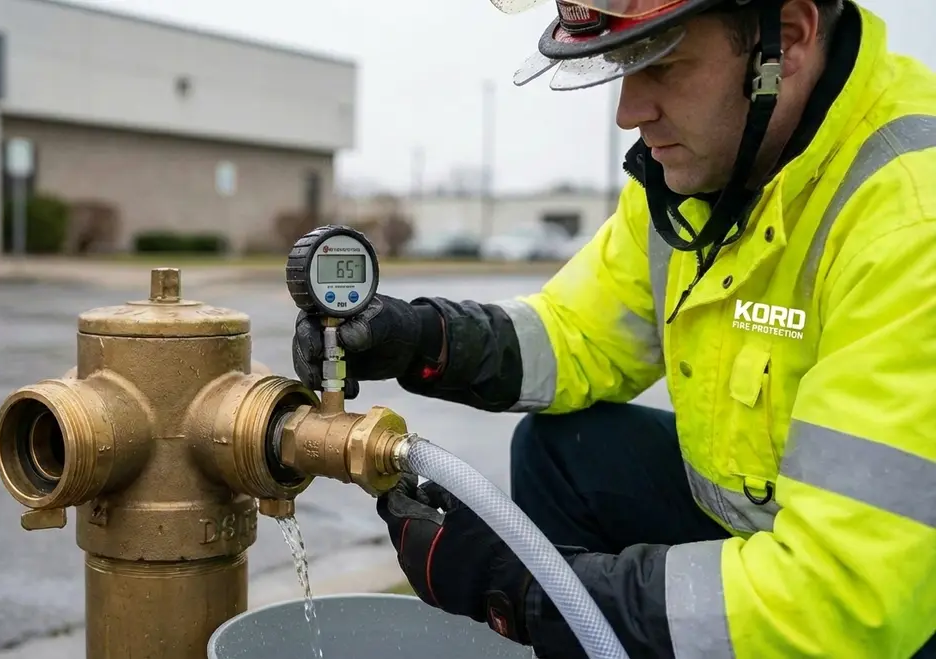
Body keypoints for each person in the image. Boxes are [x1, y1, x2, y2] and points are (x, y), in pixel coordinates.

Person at [291, 0, 936, 656]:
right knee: (566, 451)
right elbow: (577, 332)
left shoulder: (913, 219)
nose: (629, 112)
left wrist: (534, 588)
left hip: (895, 610)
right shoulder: (704, 170)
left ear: (789, 38)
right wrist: (421, 338)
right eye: (626, 68)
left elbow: (846, 596)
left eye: (664, 66)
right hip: (766, 534)